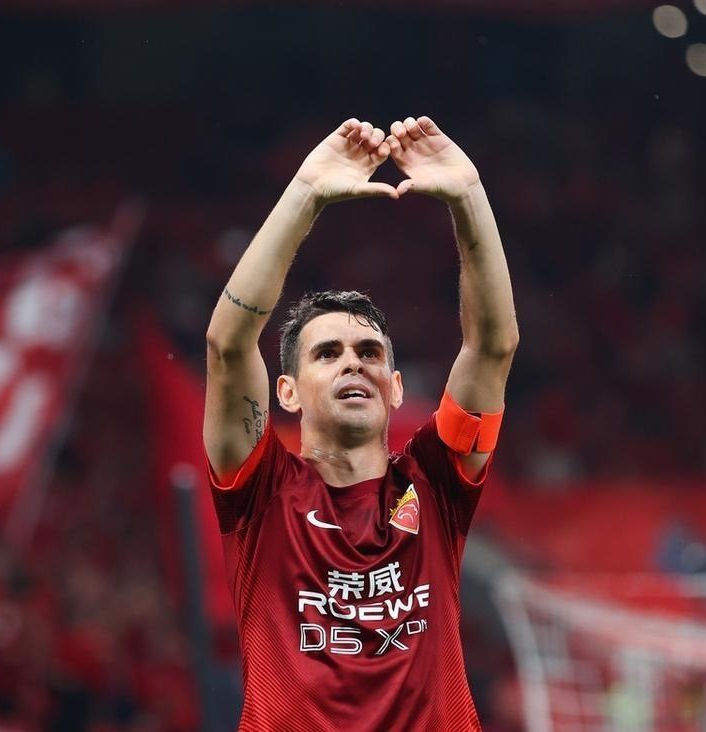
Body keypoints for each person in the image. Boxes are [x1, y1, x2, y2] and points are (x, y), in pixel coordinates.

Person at [203, 116, 518, 730]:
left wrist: (468, 196)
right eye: (327, 354)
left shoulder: (437, 481)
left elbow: (493, 346)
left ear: (394, 388)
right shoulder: (260, 492)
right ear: (286, 392)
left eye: (369, 352)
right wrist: (305, 194)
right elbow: (227, 345)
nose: (354, 362)